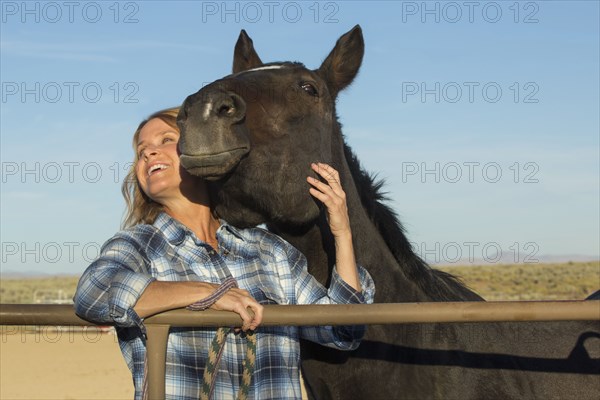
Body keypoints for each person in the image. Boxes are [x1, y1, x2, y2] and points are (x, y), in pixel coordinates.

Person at [74, 107, 375, 400]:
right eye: (142, 151)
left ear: (201, 151)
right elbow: (94, 290)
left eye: (166, 140)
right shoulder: (140, 244)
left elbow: (343, 330)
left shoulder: (268, 251)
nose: (149, 153)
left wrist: (342, 233)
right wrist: (209, 295)